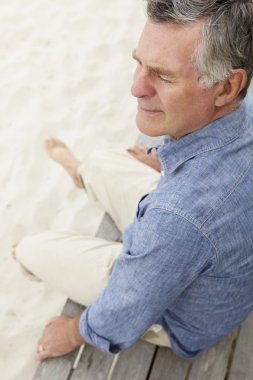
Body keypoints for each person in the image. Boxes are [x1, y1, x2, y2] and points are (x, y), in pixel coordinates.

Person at [14, 0, 253, 361]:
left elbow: (126, 309)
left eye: (163, 75)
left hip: (180, 315)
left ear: (226, 87)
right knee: (102, 160)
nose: (136, 88)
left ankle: (83, 182)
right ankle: (84, 173)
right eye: (138, 63)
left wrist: (74, 331)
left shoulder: (178, 219)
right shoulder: (242, 108)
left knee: (30, 250)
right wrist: (164, 161)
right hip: (202, 246)